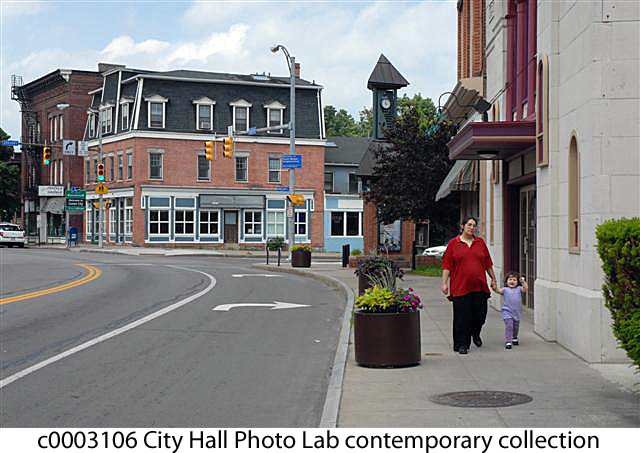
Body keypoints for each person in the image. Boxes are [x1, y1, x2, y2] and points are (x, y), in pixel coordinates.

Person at [441, 216, 497, 355]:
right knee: (462, 317)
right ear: (462, 226)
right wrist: (444, 283)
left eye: (474, 225)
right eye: (469, 225)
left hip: (479, 286)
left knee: (480, 315)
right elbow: (447, 265)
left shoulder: (480, 243)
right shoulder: (453, 243)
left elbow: (488, 263)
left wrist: (493, 279)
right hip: (460, 287)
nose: (472, 228)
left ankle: (475, 332)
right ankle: (462, 344)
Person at [493, 272, 528, 349]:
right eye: (510, 279)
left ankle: (514, 337)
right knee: (509, 326)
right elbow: (498, 291)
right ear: (506, 281)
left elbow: (525, 289)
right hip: (507, 311)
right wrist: (494, 288)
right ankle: (508, 341)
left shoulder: (519, 289)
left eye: (514, 280)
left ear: (517, 282)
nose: (512, 281)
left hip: (516, 312)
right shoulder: (505, 289)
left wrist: (523, 282)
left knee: (516, 327)